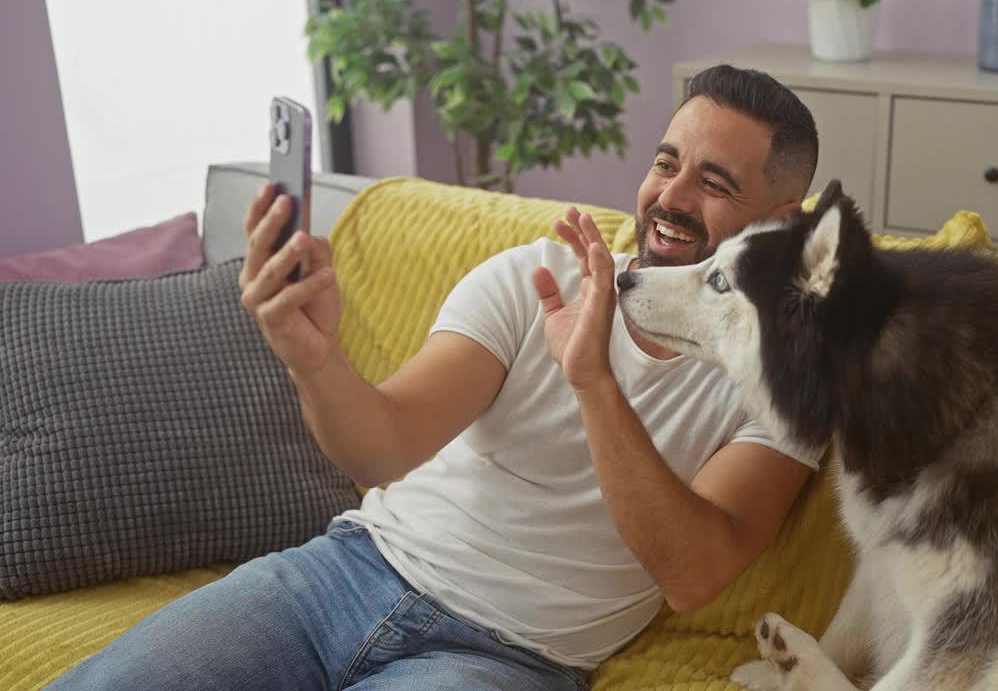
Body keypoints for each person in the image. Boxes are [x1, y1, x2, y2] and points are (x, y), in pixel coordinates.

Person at [49, 64, 822, 691]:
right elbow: (383, 450)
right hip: (342, 575)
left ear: (784, 223)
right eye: (666, 163)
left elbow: (693, 575)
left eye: (714, 183)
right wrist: (313, 357)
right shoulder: (538, 275)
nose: (671, 198)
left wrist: (592, 382)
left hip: (507, 659)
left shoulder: (789, 383)